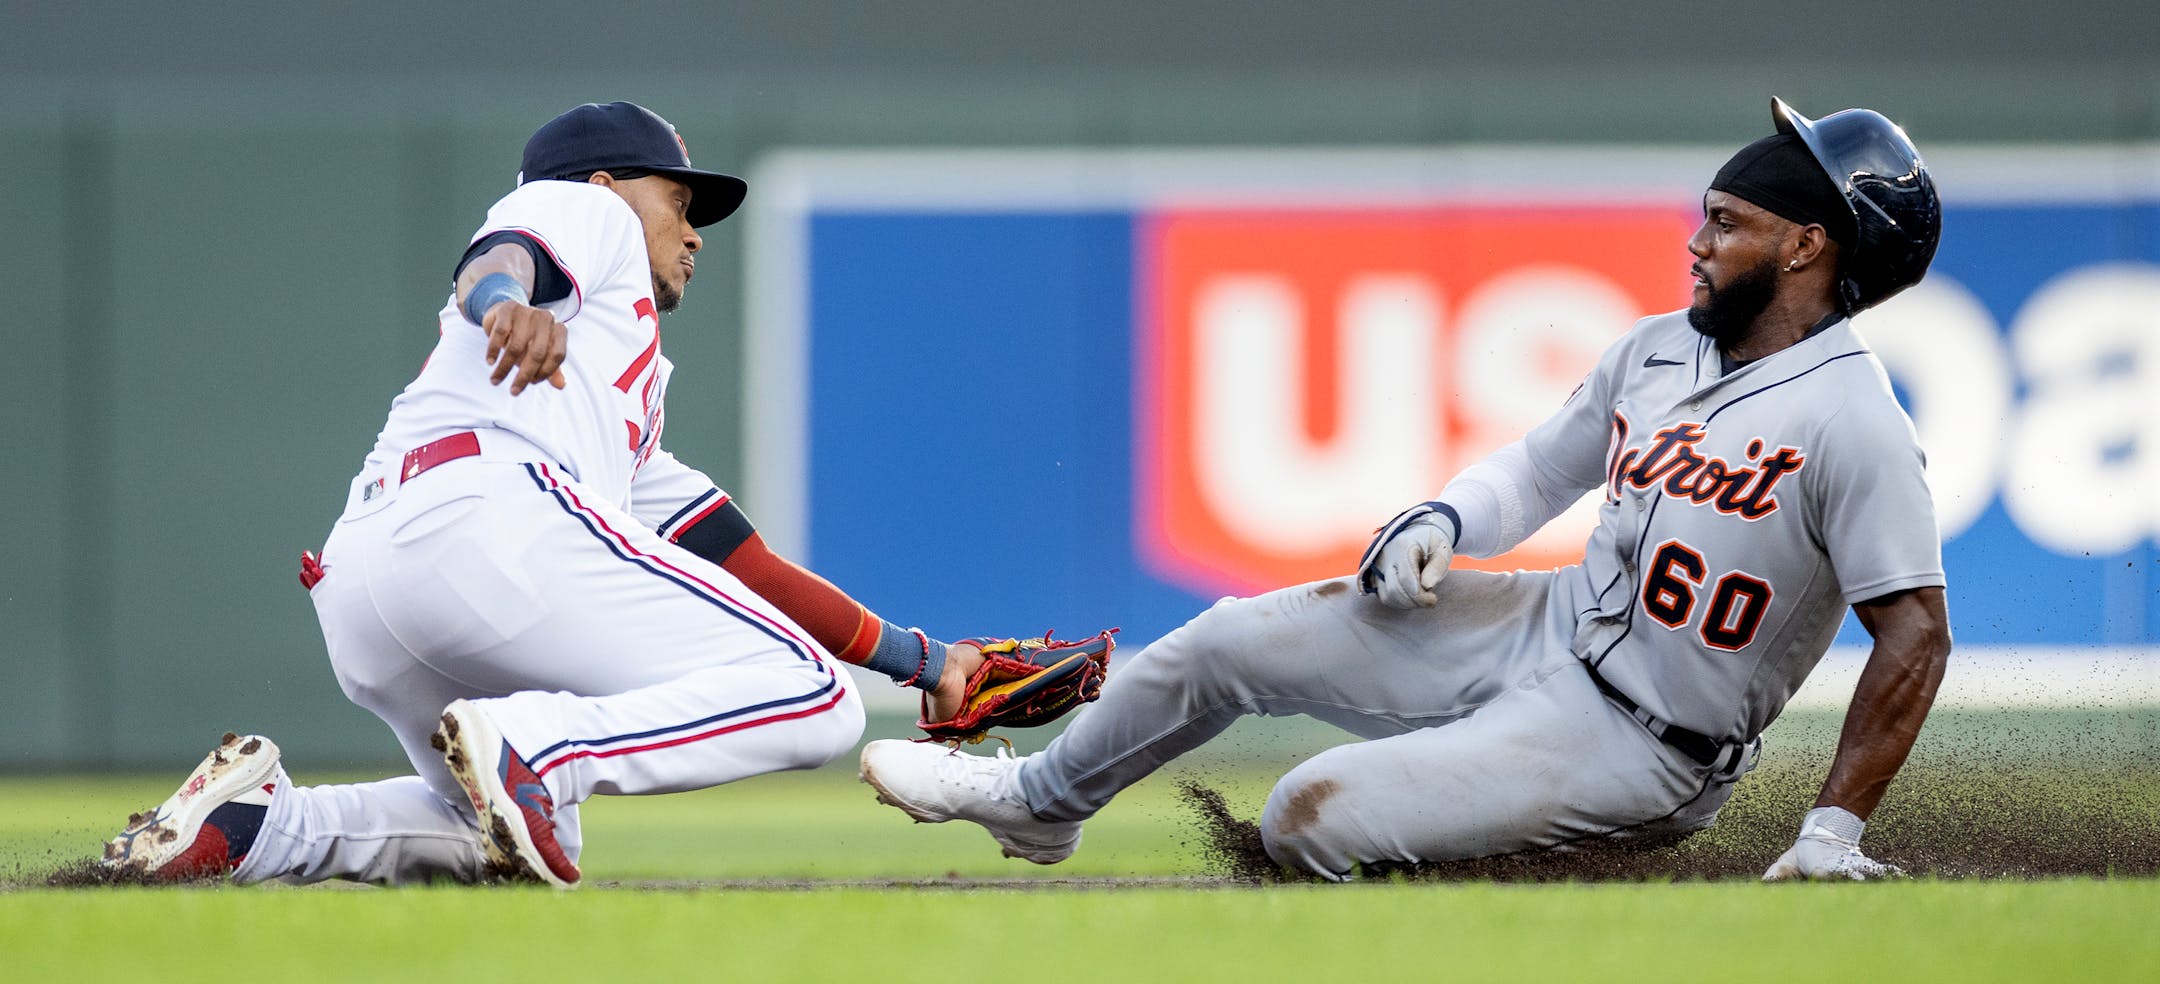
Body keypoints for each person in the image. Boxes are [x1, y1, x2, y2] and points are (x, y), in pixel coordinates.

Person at [860, 98, 1950, 881]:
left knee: (1307, 816)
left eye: (1728, 222)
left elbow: (1915, 636)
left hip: (1649, 740)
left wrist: (1832, 831)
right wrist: (1447, 516)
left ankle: (1542, 871)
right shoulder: (1663, 347)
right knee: (1226, 641)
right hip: (1549, 625)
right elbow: (1537, 469)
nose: (1697, 241)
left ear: (1806, 245)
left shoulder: (1854, 420)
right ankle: (1037, 805)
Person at [102, 102, 1011, 887]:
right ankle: (542, 743)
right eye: (680, 203)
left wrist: (931, 666)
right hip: (487, 520)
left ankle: (259, 830)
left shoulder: (615, 410)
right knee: (816, 700)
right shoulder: (586, 207)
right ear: (611, 184)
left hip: (372, 582)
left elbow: (745, 564)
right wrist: (502, 300)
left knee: (492, 836)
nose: (694, 234)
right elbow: (502, 254)